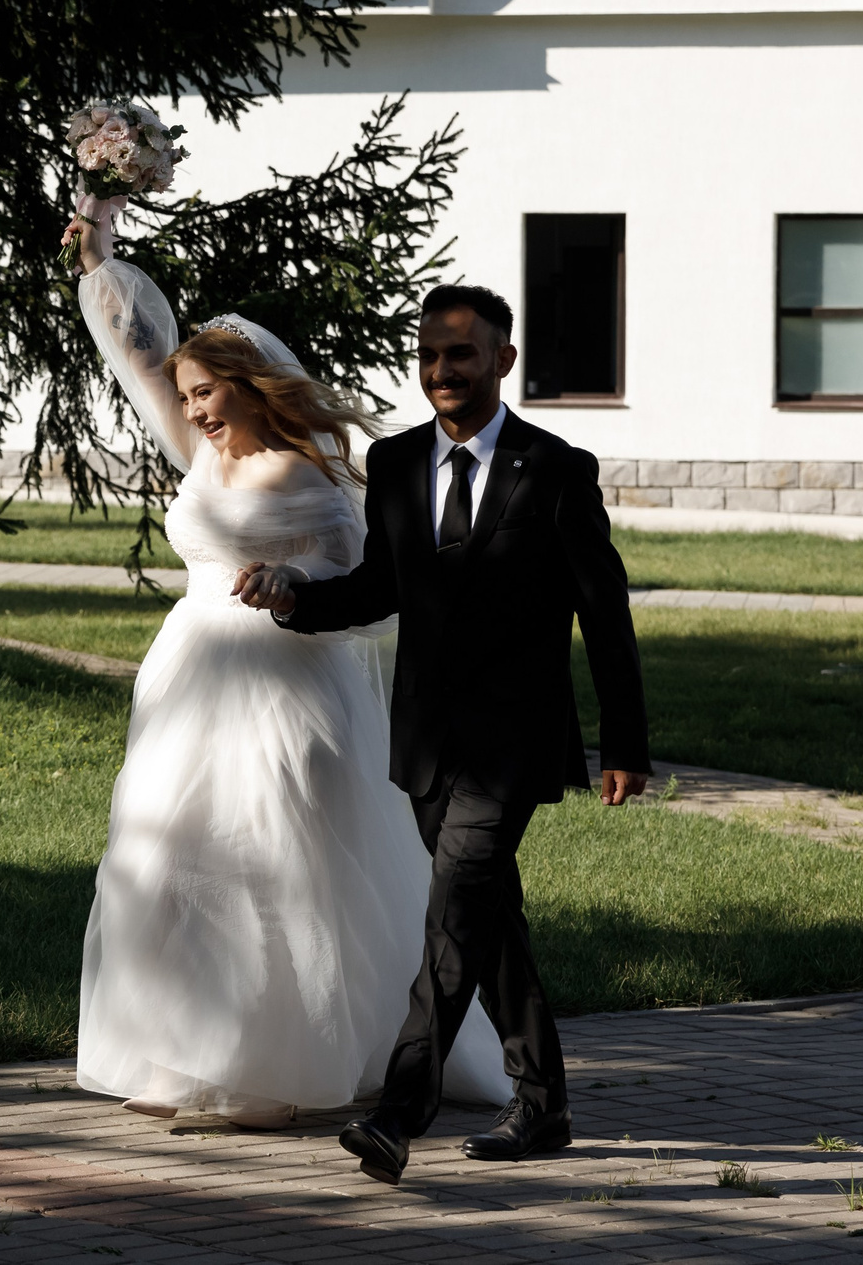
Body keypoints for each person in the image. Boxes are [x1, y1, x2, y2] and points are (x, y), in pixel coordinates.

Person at [64, 197, 510, 1129]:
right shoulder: (201, 452)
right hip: (189, 678)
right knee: (171, 851)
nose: (191, 411)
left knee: (268, 860)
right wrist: (101, 259)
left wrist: (290, 578)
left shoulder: (310, 478)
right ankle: (187, 1051)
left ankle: (272, 1072)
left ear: (249, 386)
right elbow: (138, 355)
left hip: (282, 684)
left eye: (206, 396)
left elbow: (357, 579)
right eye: (185, 399)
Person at [235, 284, 650, 1186]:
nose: (441, 372)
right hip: (425, 740)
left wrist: (625, 741)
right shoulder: (393, 465)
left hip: (515, 741)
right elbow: (379, 588)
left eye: (460, 355)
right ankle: (543, 1104)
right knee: (488, 918)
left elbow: (605, 614)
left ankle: (398, 1111)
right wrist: (296, 596)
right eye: (428, 356)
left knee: (453, 916)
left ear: (503, 359)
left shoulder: (555, 470)